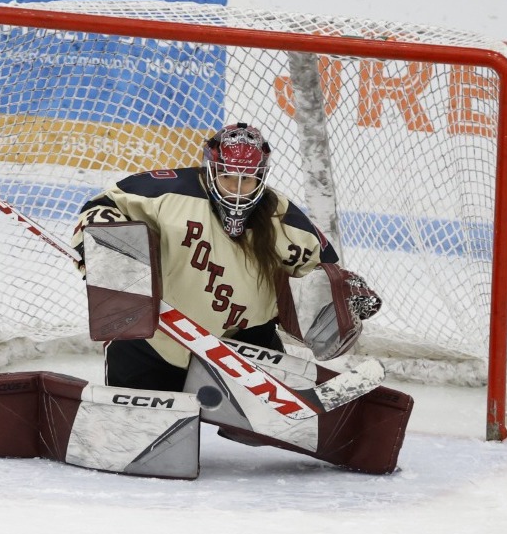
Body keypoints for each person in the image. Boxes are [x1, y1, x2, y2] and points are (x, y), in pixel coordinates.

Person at [72, 121, 380, 392]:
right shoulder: (164, 193)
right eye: (228, 177)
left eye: (247, 179)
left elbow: (322, 273)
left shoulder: (285, 222)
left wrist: (340, 295)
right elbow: (100, 207)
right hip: (152, 340)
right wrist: (103, 250)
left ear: (261, 176)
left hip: (239, 346)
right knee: (139, 436)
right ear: (211, 168)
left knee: (254, 442)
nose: (237, 188)